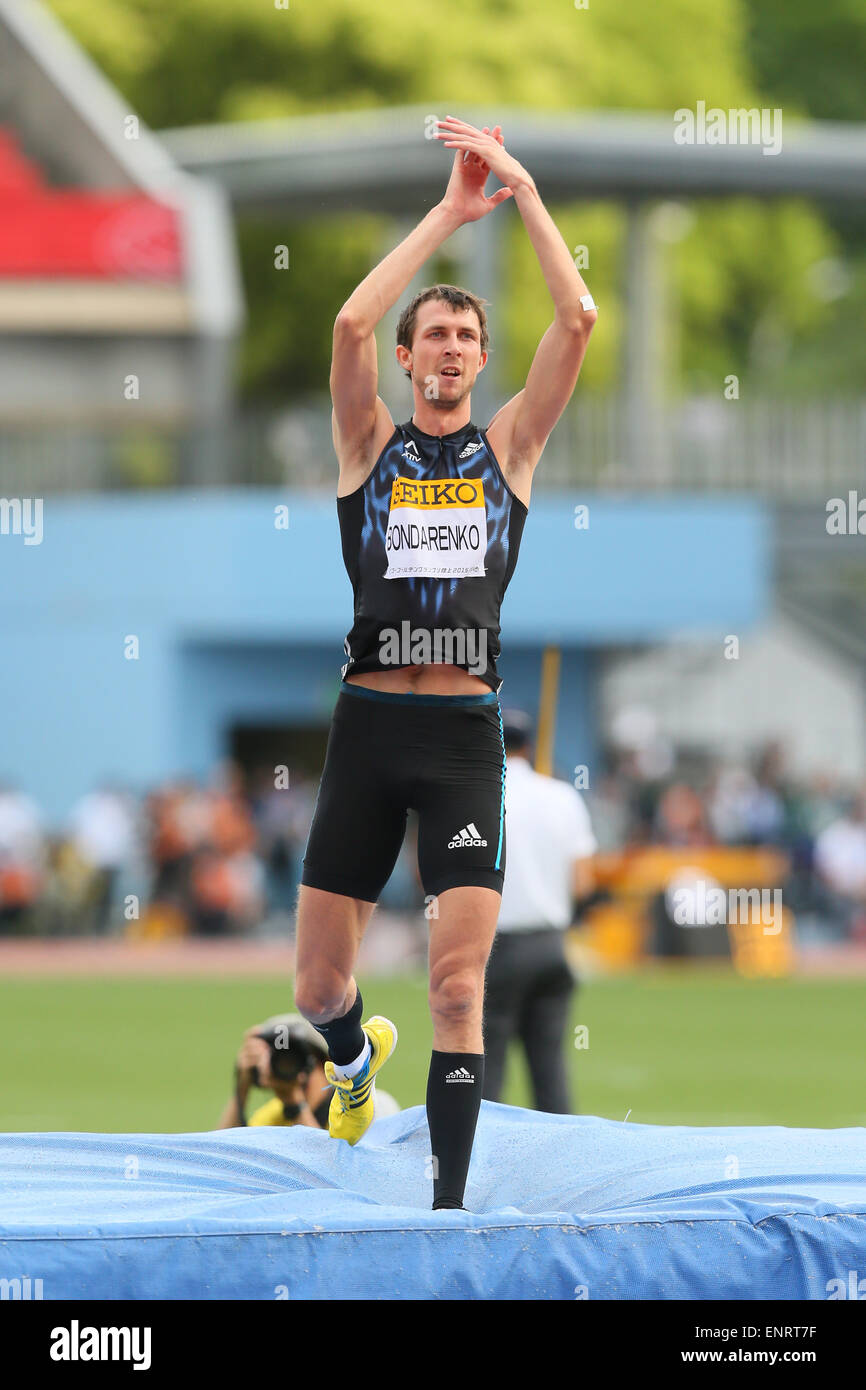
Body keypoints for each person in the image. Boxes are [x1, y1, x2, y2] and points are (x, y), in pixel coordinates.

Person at [294, 115, 597, 1210]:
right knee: (318, 984)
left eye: (468, 339)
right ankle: (352, 1061)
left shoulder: (507, 449)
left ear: (479, 360)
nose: (454, 350)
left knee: (456, 989)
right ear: (411, 355)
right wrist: (447, 214)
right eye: (435, 336)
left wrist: (519, 188)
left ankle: (444, 1212)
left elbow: (575, 316)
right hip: (368, 727)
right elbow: (345, 321)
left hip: (463, 738)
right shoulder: (366, 444)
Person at [482, 710, 597, 1114]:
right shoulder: (563, 796)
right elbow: (583, 881)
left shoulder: (479, 791)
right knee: (549, 1071)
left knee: (487, 1071)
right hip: (551, 945)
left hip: (495, 945)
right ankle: (562, 1166)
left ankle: (475, 1166)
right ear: (529, 745)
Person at [216, 1014, 399, 1130]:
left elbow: (331, 1176)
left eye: (298, 1062)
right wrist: (242, 1085)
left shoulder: (369, 1104)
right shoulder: (275, 1116)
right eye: (280, 1062)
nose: (296, 1075)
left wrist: (295, 1104)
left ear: (327, 1064)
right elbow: (222, 1161)